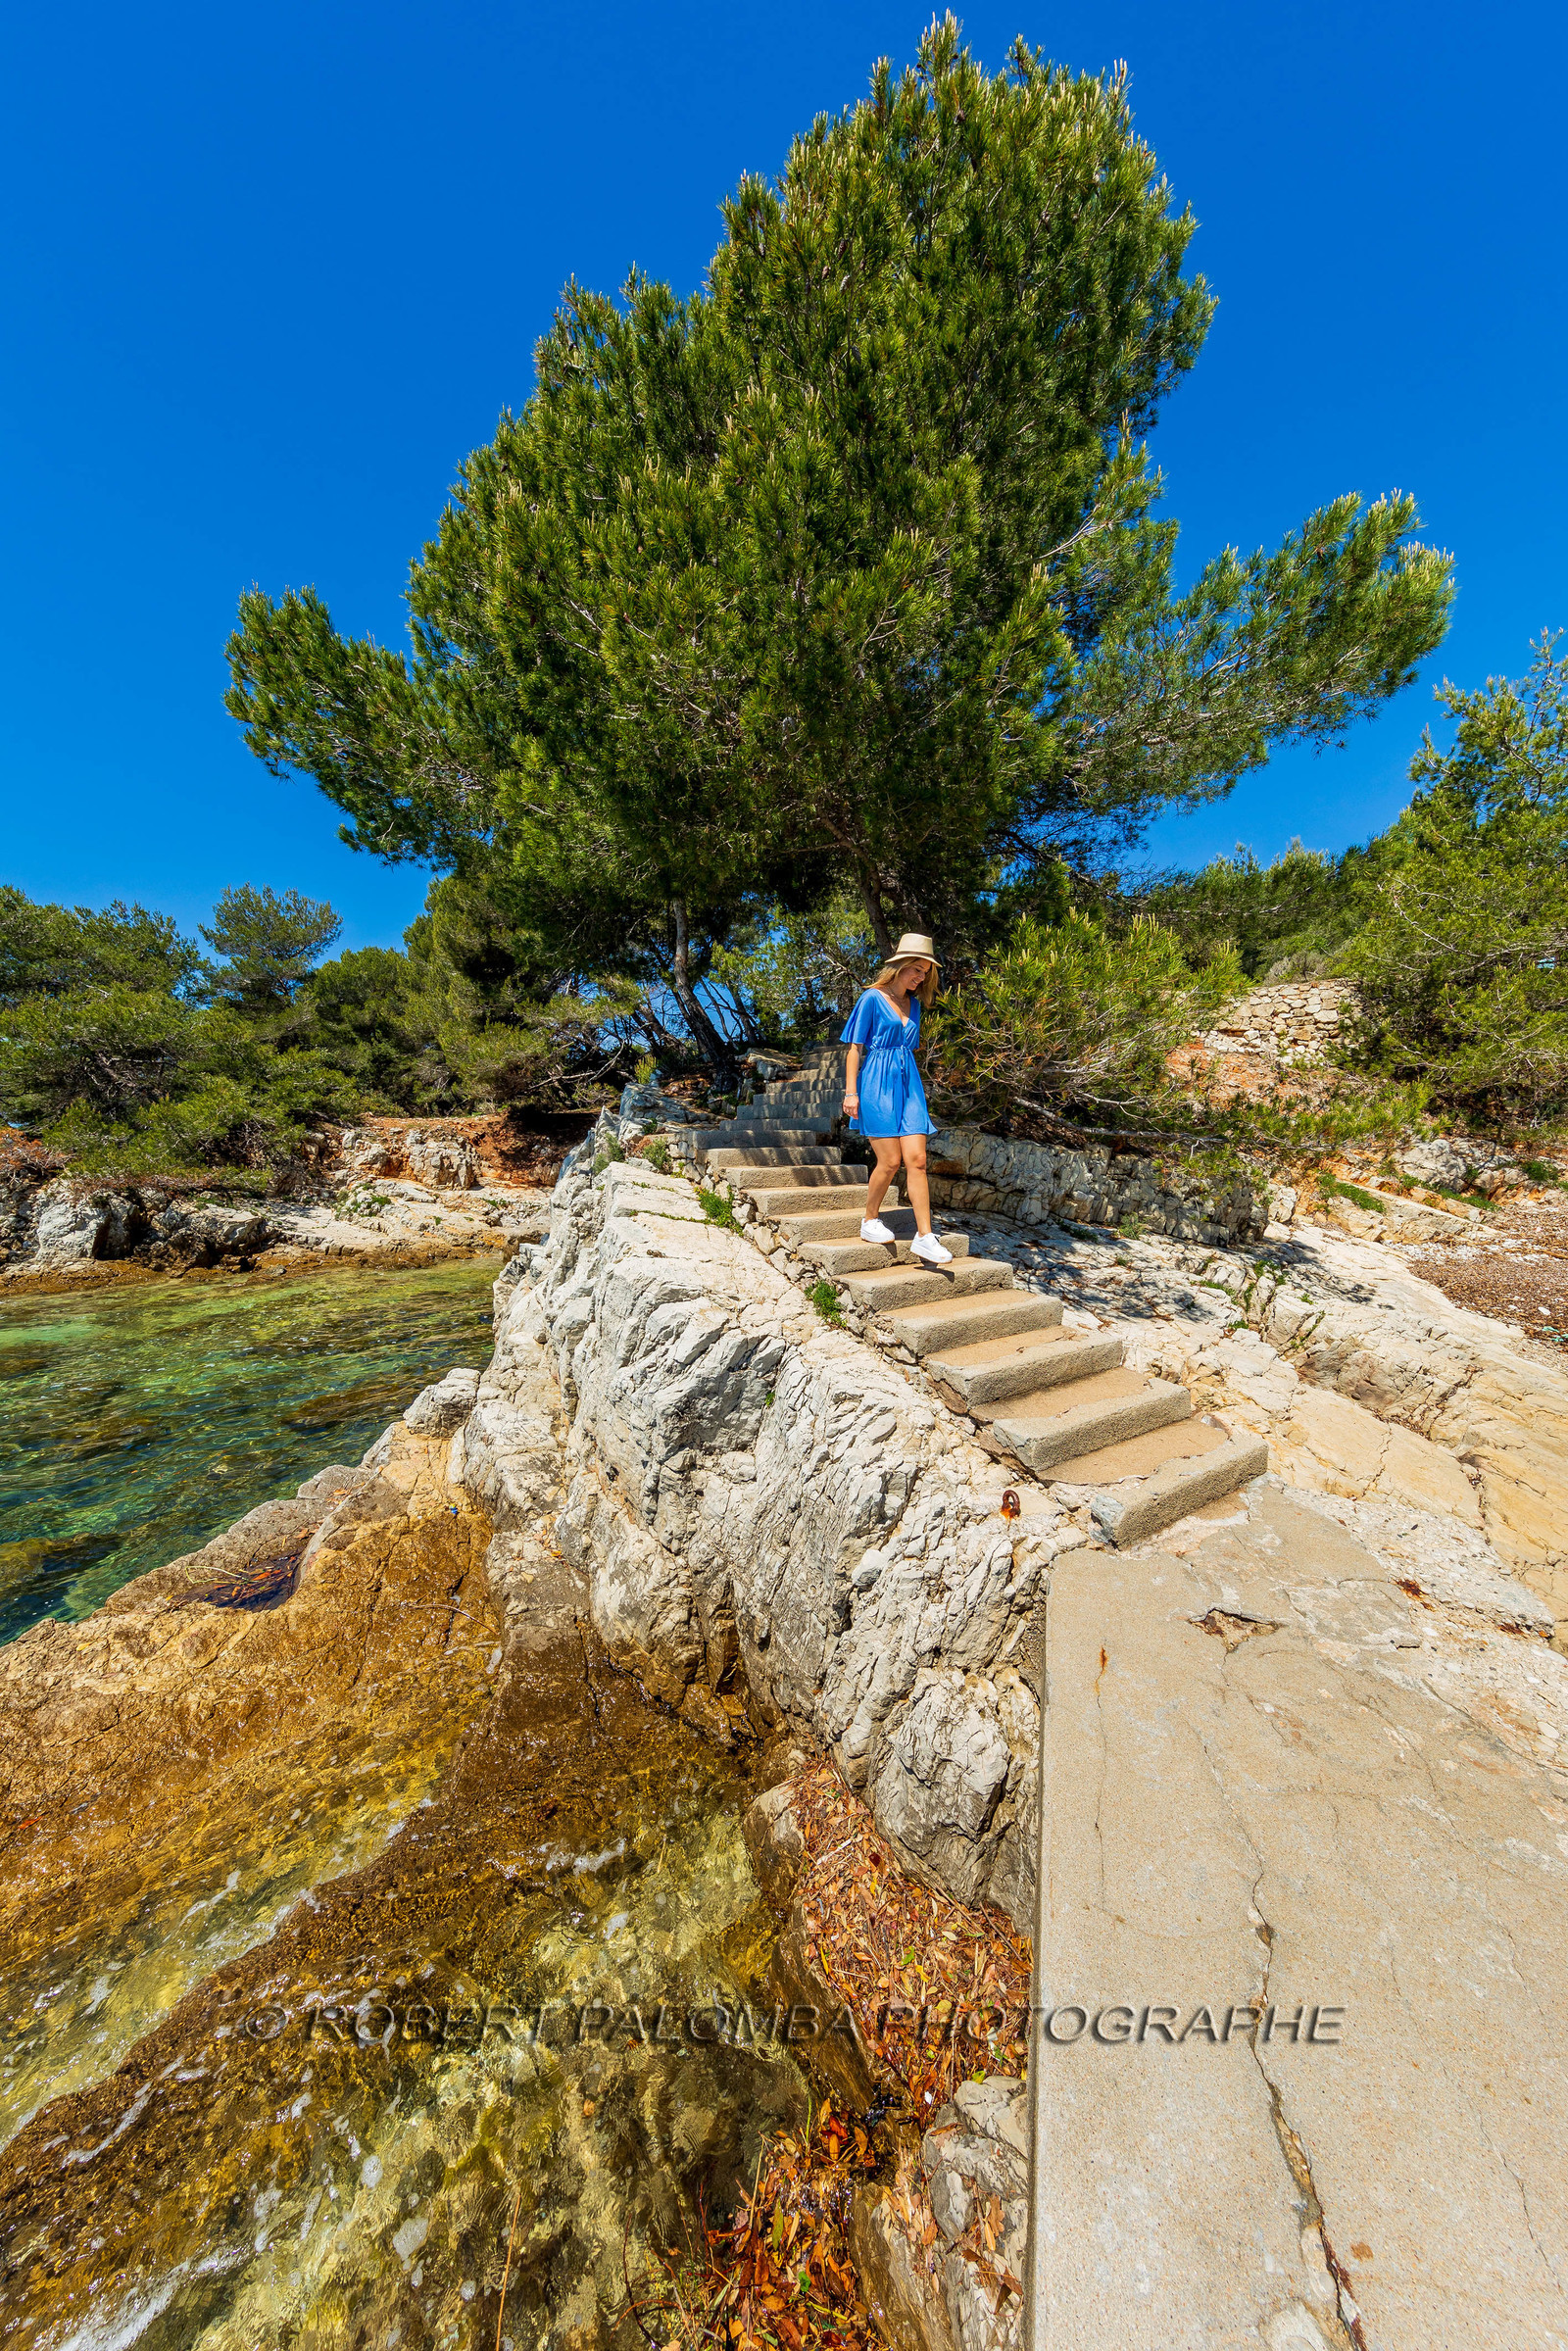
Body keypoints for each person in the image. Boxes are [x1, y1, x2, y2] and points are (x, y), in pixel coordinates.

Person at [839, 932, 953, 1265]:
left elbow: (907, 1051)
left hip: (909, 1086)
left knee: (917, 1160)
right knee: (889, 1161)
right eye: (916, 969)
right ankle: (870, 1219)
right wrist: (851, 1093)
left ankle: (925, 1236)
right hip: (876, 1083)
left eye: (925, 972)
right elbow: (855, 1049)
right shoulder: (872, 998)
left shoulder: (914, 1005)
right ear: (900, 965)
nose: (920, 977)